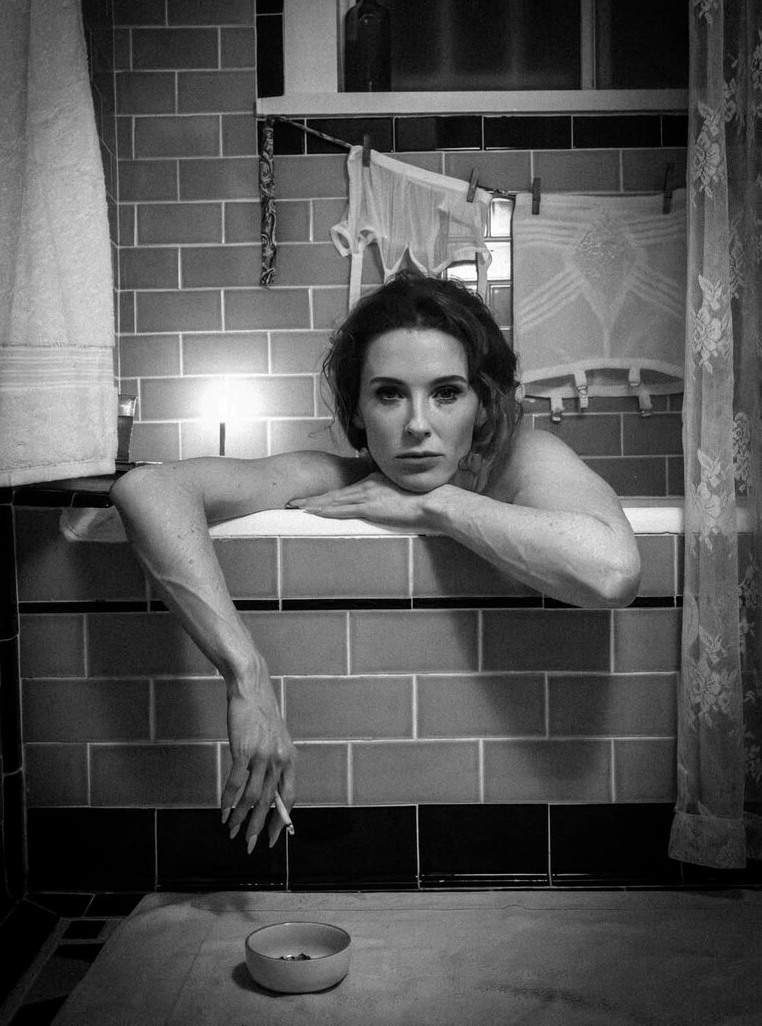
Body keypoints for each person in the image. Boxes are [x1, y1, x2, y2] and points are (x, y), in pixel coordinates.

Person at [109, 273, 640, 855]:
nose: (417, 424)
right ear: (358, 411)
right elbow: (147, 489)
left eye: (446, 393)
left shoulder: (523, 461)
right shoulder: (341, 479)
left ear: (484, 404)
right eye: (389, 394)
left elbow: (612, 573)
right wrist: (246, 678)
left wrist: (439, 506)